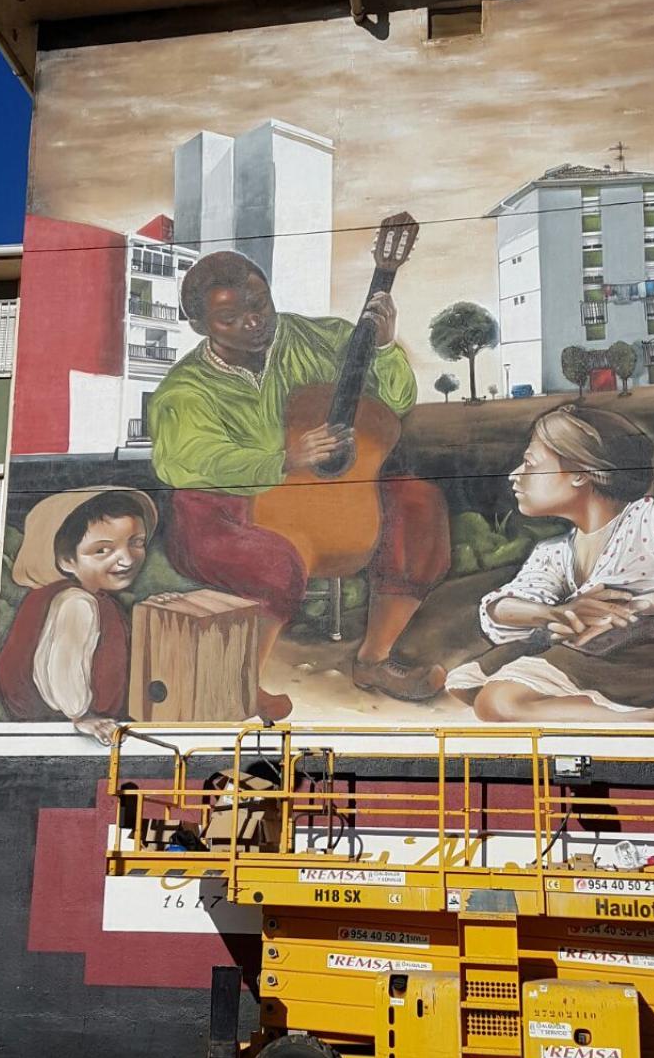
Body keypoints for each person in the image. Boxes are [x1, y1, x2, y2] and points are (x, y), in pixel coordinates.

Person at [148, 249, 450, 718]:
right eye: (230, 317)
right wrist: (281, 459)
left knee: (418, 504)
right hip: (226, 507)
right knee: (275, 560)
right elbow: (183, 462)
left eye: (260, 305)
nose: (252, 321)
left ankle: (374, 659)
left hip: (320, 499)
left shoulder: (319, 337)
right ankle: (241, 684)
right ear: (200, 326)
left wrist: (386, 348)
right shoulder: (183, 390)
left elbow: (395, 401)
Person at [446, 403, 654, 724]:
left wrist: (634, 607)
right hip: (606, 648)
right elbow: (501, 606)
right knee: (466, 687)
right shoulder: (555, 550)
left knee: (496, 703)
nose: (514, 476)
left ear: (579, 473)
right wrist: (557, 612)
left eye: (530, 464)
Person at [0, 486, 157, 743]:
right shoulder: (77, 602)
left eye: (136, 543)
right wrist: (79, 716)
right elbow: (63, 664)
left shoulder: (90, 598)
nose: (126, 560)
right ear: (66, 560)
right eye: (103, 550)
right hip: (62, 731)